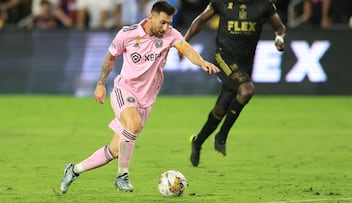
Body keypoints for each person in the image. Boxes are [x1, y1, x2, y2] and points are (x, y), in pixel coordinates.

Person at [60, 1, 219, 193]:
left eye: (169, 23)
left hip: (146, 100)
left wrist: (201, 62)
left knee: (116, 150)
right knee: (133, 124)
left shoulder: (171, 35)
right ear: (150, 17)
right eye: (162, 22)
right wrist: (101, 84)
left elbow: (187, 49)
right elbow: (110, 58)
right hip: (124, 90)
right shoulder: (127, 33)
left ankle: (74, 170)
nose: (166, 27)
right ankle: (122, 176)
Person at [184, 0, 286, 167]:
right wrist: (185, 43)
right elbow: (201, 20)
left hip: (245, 63)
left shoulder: (264, 5)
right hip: (223, 56)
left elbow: (279, 27)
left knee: (220, 108)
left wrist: (279, 38)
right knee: (246, 90)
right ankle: (222, 135)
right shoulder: (221, 3)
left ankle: (198, 141)